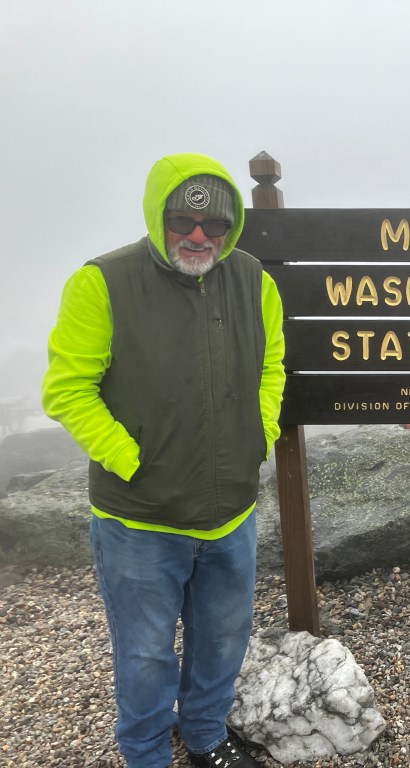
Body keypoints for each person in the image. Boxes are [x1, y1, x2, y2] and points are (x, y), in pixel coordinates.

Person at [42, 153, 286, 768]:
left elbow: (271, 368)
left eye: (215, 227)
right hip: (139, 518)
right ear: (159, 215)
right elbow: (67, 391)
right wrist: (131, 460)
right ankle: (147, 754)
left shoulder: (255, 280)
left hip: (231, 512)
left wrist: (259, 435)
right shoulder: (101, 281)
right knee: (146, 651)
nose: (200, 236)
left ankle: (204, 738)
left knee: (224, 641)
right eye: (184, 221)